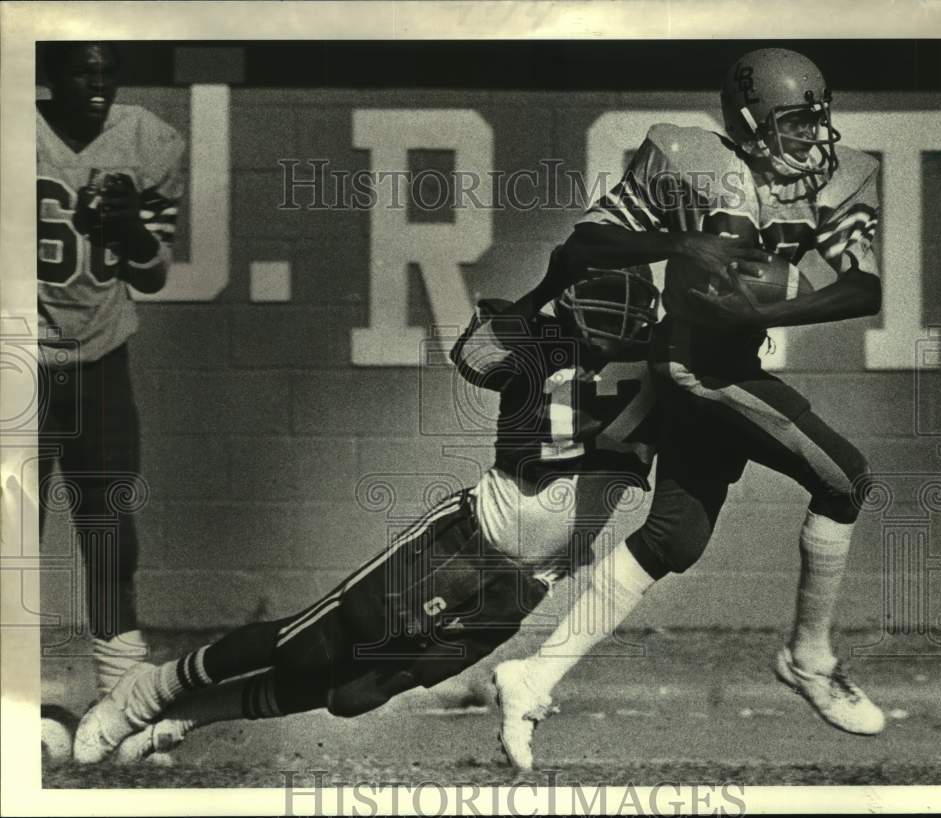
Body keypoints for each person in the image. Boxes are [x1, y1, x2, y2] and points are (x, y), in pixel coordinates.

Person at [72, 247, 676, 764]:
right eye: (602, 294)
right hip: (472, 538)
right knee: (311, 645)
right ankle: (146, 694)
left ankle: (193, 715)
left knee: (356, 693)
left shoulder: (671, 374)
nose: (614, 317)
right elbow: (472, 355)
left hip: (534, 578)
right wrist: (545, 286)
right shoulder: (540, 343)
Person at [493, 47, 886, 771]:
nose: (815, 137)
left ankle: (533, 676)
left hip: (734, 358)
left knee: (675, 539)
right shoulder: (690, 164)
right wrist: (678, 241)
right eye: (797, 123)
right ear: (751, 121)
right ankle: (809, 656)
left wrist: (771, 306)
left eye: (818, 120)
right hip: (695, 364)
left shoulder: (841, 175)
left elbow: (866, 288)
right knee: (845, 477)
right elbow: (584, 246)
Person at [36, 42, 185, 699]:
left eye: (107, 70)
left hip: (100, 354)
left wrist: (132, 233)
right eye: (80, 69)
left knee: (109, 525)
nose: (96, 83)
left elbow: (153, 274)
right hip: (19, 356)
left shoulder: (147, 140)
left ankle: (121, 693)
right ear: (49, 73)